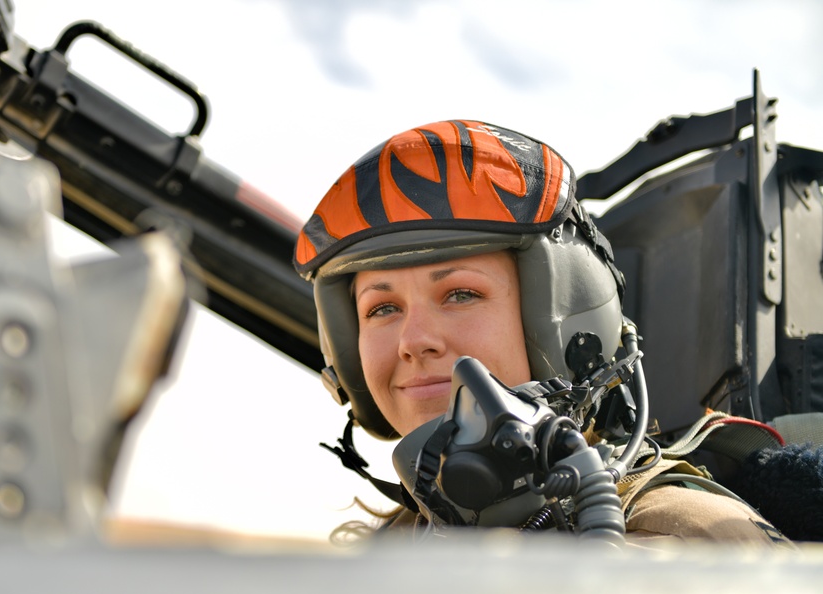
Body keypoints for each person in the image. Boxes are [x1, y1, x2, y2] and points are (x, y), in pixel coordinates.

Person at [293, 119, 794, 549]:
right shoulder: (390, 550)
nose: (413, 339)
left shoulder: (688, 537)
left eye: (461, 295)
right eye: (381, 307)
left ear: (565, 323)